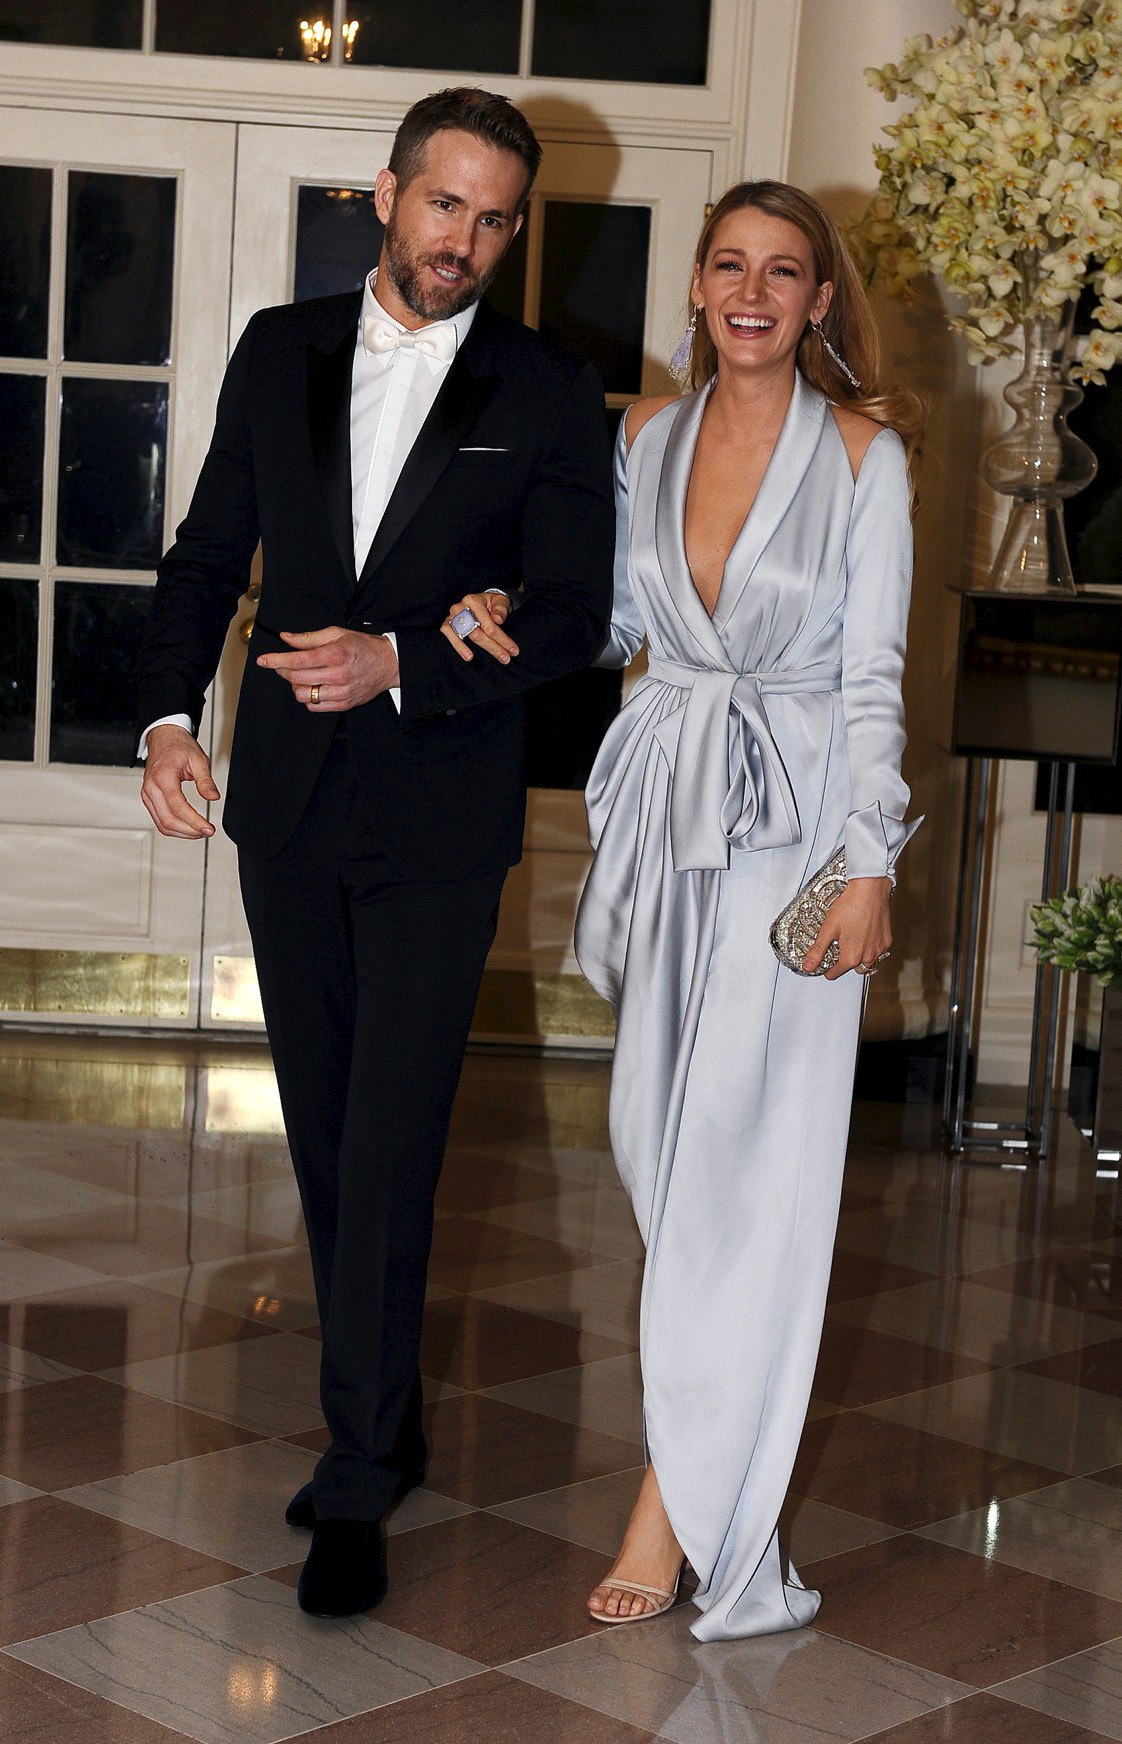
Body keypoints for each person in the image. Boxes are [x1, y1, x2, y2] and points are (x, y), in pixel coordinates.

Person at [137, 87, 614, 1620]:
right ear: (387, 193)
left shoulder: (548, 390)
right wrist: (166, 719)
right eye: (443, 203)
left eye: (493, 219)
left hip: (437, 820)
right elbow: (208, 553)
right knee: (331, 1134)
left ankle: (354, 1475)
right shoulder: (277, 349)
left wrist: (406, 659)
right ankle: (386, 1417)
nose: (462, 239)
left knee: (394, 1139)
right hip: (284, 811)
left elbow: (574, 613)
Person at [452, 179, 922, 1641]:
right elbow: (616, 623)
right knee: (658, 1158)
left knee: (740, 1178)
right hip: (665, 818)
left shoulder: (865, 458)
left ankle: (679, 1509)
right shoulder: (644, 437)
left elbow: (872, 679)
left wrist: (870, 862)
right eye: (729, 265)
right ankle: (702, 1463)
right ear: (701, 287)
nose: (751, 293)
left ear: (819, 301)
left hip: (794, 838)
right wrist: (507, 613)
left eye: (783, 272)